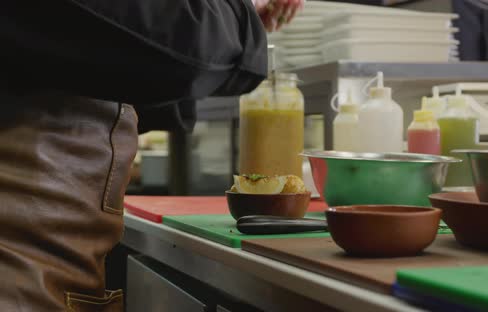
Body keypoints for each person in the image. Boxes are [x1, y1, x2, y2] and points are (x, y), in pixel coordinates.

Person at [0, 0, 302, 311]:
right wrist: (240, 13)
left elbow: (119, 54)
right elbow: (182, 41)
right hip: (18, 277)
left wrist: (235, 25)